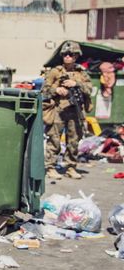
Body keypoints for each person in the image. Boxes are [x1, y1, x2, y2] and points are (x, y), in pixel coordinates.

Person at [42, 41, 92, 180]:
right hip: (58, 110)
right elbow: (44, 90)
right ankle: (50, 167)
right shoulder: (55, 71)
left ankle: (71, 167)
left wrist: (76, 84)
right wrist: (56, 90)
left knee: (74, 140)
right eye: (65, 54)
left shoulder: (81, 73)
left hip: (75, 110)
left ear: (76, 56)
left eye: (70, 55)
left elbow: (89, 89)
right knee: (54, 140)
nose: (67, 57)